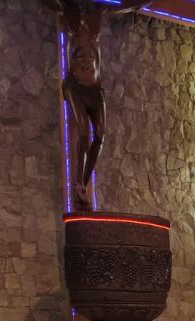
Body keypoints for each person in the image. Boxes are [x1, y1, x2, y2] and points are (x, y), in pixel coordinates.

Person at [40, 0, 154, 210]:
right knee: (84, 132)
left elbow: (126, 6)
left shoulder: (98, 12)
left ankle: (83, 182)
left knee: (100, 135)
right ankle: (78, 183)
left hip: (95, 88)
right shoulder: (69, 10)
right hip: (75, 85)